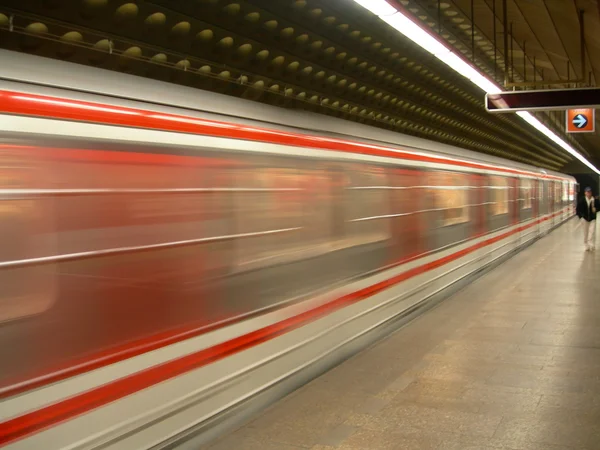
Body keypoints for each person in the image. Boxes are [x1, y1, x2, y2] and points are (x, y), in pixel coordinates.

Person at [576, 187, 600, 251]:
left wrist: (596, 209)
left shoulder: (594, 200)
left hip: (592, 219)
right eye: (587, 192)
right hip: (584, 219)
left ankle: (591, 244)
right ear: (585, 193)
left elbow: (599, 207)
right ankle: (586, 244)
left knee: (592, 232)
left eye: (589, 192)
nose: (588, 193)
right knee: (585, 232)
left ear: (591, 193)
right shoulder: (582, 200)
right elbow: (578, 210)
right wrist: (581, 217)